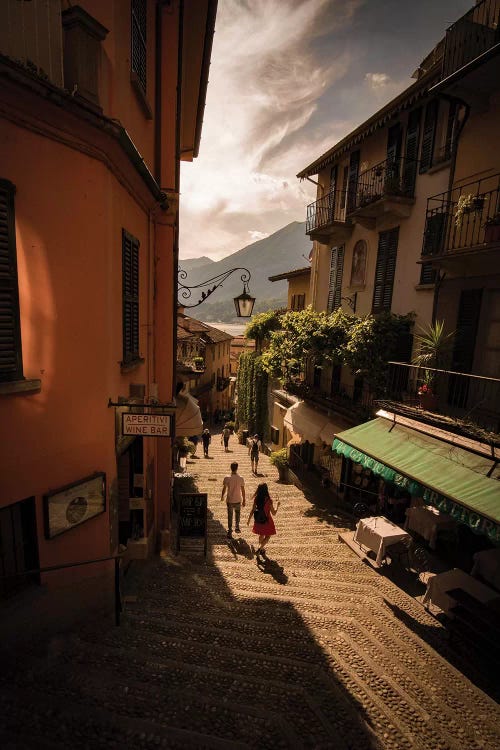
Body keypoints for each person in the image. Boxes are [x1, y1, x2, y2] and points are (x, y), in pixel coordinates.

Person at [247, 482, 280, 560]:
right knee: (268, 536)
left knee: (261, 535)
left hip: (258, 519)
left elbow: (252, 510)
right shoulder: (269, 500)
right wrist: (278, 506)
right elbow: (274, 513)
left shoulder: (256, 499)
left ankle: (261, 549)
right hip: (267, 521)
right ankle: (260, 548)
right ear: (266, 490)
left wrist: (249, 520)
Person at [221, 462, 246, 538]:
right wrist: (244, 499)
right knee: (237, 514)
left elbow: (224, 489)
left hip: (230, 500)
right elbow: (243, 490)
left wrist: (222, 496)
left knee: (230, 515)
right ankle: (237, 527)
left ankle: (229, 530)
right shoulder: (241, 478)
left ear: (230, 468)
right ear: (237, 468)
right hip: (238, 499)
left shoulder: (227, 478)